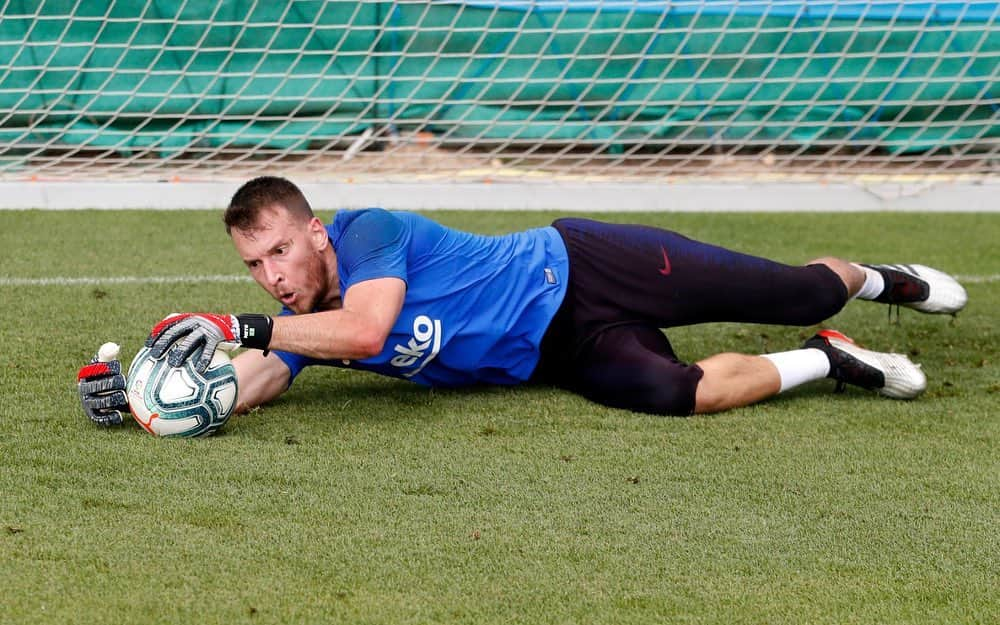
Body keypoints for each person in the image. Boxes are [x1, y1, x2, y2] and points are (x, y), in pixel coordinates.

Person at [77, 176, 968, 425]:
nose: (271, 274)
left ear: (315, 231)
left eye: (279, 249)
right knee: (670, 393)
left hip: (583, 266)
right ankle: (833, 356)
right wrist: (155, 403)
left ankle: (879, 280)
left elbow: (370, 326)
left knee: (791, 286)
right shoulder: (302, 314)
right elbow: (263, 369)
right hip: (562, 352)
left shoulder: (368, 231)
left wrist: (247, 324)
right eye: (253, 266)